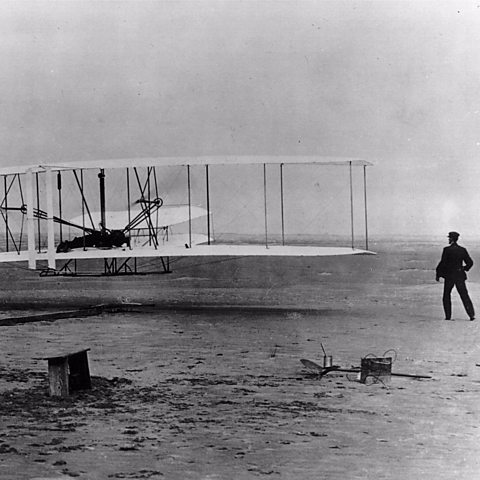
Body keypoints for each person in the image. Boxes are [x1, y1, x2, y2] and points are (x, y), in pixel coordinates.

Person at [436, 231, 475, 321]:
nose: (448, 239)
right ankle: (471, 315)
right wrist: (464, 269)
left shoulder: (447, 250)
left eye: (449, 238)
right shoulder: (462, 250)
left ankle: (448, 316)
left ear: (452, 239)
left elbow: (443, 263)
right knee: (464, 295)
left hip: (449, 276)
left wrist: (438, 273)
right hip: (459, 275)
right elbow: (470, 262)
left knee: (446, 295)